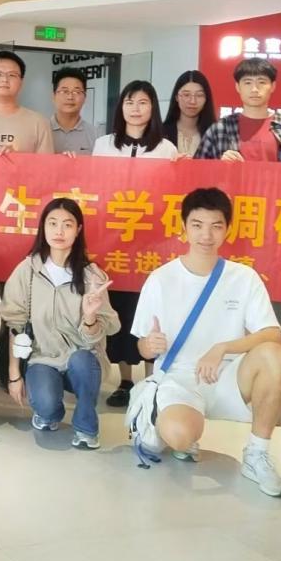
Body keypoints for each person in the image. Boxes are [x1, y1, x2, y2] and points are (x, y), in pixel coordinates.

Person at [129, 187, 281, 498]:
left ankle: (256, 454)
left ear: (228, 229)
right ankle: (167, 424)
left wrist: (223, 348)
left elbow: (272, 334)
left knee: (275, 355)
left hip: (228, 375)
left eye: (216, 226)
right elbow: (141, 346)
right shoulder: (161, 279)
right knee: (179, 435)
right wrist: (149, 346)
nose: (206, 235)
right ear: (183, 227)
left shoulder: (244, 277)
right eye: (197, 225)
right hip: (178, 379)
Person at [195, 58, 281, 338]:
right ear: (237, 87)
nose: (255, 89)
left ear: (273, 86)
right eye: (247, 82)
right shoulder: (220, 129)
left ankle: (270, 357)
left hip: (274, 231)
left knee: (273, 303)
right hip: (230, 229)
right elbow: (196, 179)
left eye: (261, 82)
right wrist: (219, 167)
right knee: (225, 297)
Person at [0, 199, 117, 448]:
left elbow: (110, 327)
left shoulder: (91, 275)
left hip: (82, 358)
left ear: (79, 230)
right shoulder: (27, 271)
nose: (59, 231)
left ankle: (86, 427)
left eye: (67, 225)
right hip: (42, 357)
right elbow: (15, 325)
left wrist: (90, 317)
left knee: (82, 361)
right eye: (52, 223)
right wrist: (14, 375)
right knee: (45, 405)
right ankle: (49, 413)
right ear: (43, 227)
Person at [92, 79, 179, 406]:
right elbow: (90, 187)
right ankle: (125, 380)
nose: (136, 108)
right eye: (129, 102)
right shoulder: (103, 145)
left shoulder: (166, 149)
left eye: (143, 102)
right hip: (113, 241)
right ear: (121, 107)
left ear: (153, 108)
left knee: (152, 308)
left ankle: (152, 378)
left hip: (152, 244)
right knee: (120, 309)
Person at [161, 70, 216, 158]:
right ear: (176, 97)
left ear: (206, 99)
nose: (192, 101)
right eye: (186, 95)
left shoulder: (215, 134)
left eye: (199, 95)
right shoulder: (161, 133)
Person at [50, 67, 98, 155]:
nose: (70, 97)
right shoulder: (42, 130)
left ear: (85, 97)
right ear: (53, 96)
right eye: (64, 91)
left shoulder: (95, 134)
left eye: (76, 92)